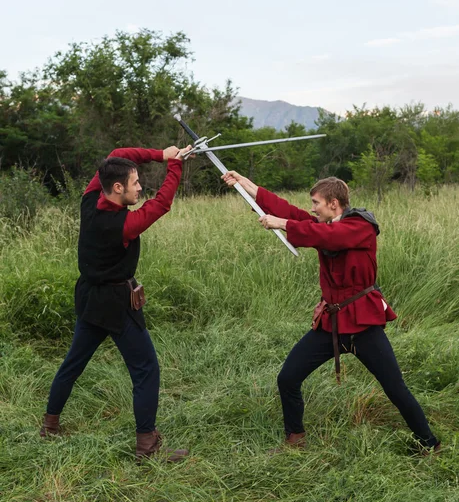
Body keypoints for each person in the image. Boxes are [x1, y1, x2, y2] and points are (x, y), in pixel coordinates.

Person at [222, 172, 441, 454]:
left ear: (334, 203)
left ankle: (429, 443)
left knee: (394, 387)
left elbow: (330, 236)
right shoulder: (324, 223)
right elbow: (288, 211)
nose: (313, 208)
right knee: (287, 378)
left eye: (316, 203)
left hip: (363, 323)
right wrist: (244, 184)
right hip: (332, 322)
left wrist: (283, 224)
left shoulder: (360, 226)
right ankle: (295, 439)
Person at [40, 144, 193, 462]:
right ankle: (146, 447)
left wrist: (162, 155)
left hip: (89, 297)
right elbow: (162, 204)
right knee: (146, 370)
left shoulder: (90, 199)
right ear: (118, 187)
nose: (141, 188)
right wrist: (174, 166)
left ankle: (49, 427)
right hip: (116, 304)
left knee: (73, 363)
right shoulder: (123, 226)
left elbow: (118, 153)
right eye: (136, 183)